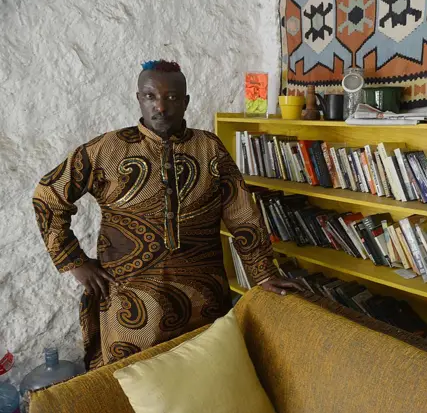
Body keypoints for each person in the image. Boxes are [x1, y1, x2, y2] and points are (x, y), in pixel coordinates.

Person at [33, 60, 304, 370]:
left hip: (203, 300)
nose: (161, 106)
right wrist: (73, 261)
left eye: (172, 97)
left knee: (203, 377)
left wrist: (264, 274)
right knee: (133, 382)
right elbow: (48, 195)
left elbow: (242, 214)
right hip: (129, 304)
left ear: (186, 101)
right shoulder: (105, 150)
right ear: (138, 98)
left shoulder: (209, 148)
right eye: (150, 96)